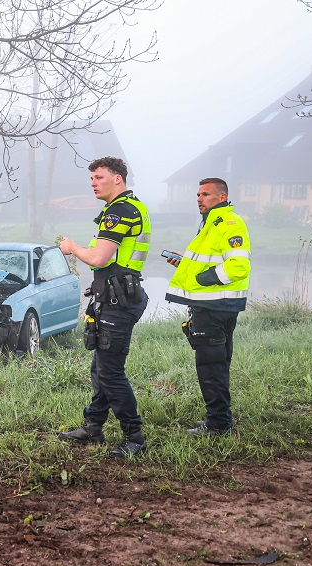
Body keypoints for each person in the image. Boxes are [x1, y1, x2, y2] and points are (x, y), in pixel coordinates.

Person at [58, 157, 151, 458]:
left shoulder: (120, 211)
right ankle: (93, 426)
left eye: (99, 177)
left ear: (118, 180)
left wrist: (72, 248)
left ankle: (134, 437)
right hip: (113, 296)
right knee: (100, 368)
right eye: (92, 178)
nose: (93, 183)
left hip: (119, 301)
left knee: (110, 372)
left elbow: (99, 258)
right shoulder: (125, 208)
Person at [163, 178, 251, 435]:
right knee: (217, 365)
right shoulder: (212, 224)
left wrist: (202, 279)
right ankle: (219, 418)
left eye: (206, 194)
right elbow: (210, 260)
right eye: (198, 194)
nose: (200, 198)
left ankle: (218, 425)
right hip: (214, 305)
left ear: (222, 197)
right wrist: (185, 265)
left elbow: (238, 266)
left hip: (215, 307)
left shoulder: (228, 223)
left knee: (210, 367)